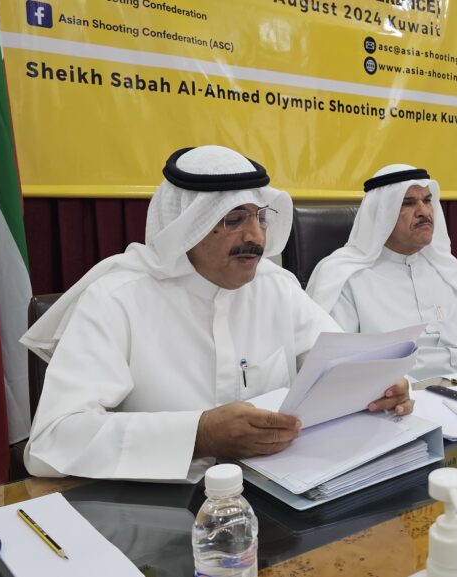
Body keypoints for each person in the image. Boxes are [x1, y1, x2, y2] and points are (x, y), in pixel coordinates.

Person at [20, 146, 412, 482]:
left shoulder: (276, 286)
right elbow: (51, 441)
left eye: (260, 217)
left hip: (280, 490)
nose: (256, 237)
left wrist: (383, 386)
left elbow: (342, 365)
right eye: (234, 219)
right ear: (187, 226)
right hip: (160, 508)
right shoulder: (116, 300)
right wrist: (198, 435)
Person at [305, 164, 457, 380]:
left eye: (427, 200)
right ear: (382, 214)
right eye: (408, 203)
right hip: (398, 396)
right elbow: (338, 366)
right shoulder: (344, 277)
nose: (424, 211)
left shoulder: (450, 269)